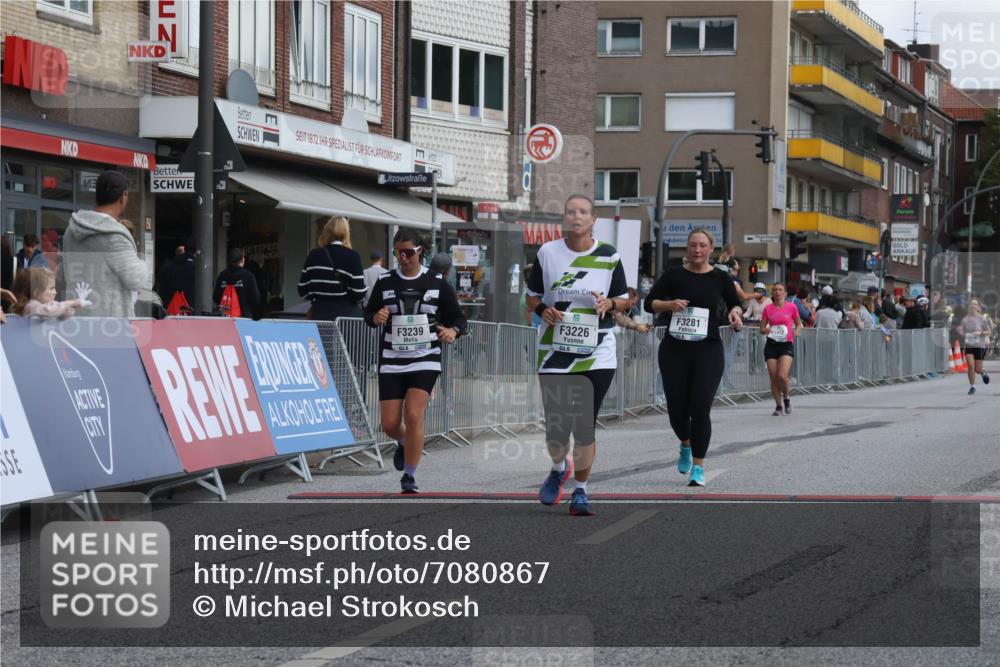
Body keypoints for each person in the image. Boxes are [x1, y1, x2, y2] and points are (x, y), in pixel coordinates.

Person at [526, 194, 628, 515]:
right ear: (564, 219)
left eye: (583, 212)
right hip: (554, 350)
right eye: (571, 211)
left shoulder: (608, 256)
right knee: (557, 426)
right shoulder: (547, 252)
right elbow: (531, 298)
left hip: (597, 351)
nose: (576, 216)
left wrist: (609, 304)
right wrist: (543, 309)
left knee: (584, 424)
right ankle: (559, 469)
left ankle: (581, 491)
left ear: (593, 220)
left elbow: (624, 299)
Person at [364, 228, 467, 494]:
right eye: (398, 253)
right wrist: (376, 317)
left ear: (420, 251)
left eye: (408, 252)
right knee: (387, 424)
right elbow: (369, 313)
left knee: (413, 414)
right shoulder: (385, 282)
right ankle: (405, 442)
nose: (403, 258)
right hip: (392, 359)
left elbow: (459, 319)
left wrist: (452, 331)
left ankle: (409, 476)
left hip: (425, 358)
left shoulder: (437, 282)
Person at [644, 228, 743, 487]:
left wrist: (735, 313)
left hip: (707, 349)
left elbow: (735, 302)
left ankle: (698, 467)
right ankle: (685, 445)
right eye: (692, 246)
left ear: (711, 249)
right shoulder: (674, 275)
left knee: (700, 407)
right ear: (687, 249)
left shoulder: (720, 278)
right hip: (674, 350)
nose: (697, 250)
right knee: (677, 410)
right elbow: (649, 303)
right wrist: (669, 305)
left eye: (702, 245)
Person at [61, 170, 147, 318]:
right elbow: (136, 279)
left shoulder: (71, 230)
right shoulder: (113, 236)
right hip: (110, 324)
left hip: (76, 318)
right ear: (123, 196)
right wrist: (143, 263)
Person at [299, 216, 366, 320]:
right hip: (346, 320)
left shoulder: (313, 255)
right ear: (346, 233)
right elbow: (359, 294)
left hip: (320, 317)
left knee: (322, 337)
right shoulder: (353, 256)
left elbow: (302, 290)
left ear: (326, 232)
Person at [760, 283, 802, 416]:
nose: (777, 292)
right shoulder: (768, 309)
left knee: (782, 375)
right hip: (772, 344)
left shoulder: (792, 307)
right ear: (772, 293)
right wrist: (765, 329)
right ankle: (778, 406)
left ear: (785, 293)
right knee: (773, 377)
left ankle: (787, 398)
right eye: (775, 290)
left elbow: (798, 323)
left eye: (780, 290)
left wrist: (798, 331)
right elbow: (761, 329)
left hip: (786, 344)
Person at [13, 267, 90, 319]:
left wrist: (75, 305)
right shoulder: (31, 306)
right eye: (51, 288)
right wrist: (72, 302)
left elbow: (65, 315)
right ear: (36, 292)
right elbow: (49, 310)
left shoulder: (43, 307)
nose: (55, 292)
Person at [213, 248, 260, 318]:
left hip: (225, 319)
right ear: (242, 260)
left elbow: (215, 298)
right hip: (244, 319)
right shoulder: (248, 276)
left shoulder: (222, 275)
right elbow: (256, 299)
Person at [958, 298, 992, 395]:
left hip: (980, 345)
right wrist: (960, 331)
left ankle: (983, 372)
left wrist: (980, 333)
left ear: (978, 307)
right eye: (971, 304)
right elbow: (962, 330)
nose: (973, 306)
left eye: (975, 304)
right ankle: (972, 387)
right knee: (970, 366)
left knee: (978, 369)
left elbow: (989, 331)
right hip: (969, 345)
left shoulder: (982, 319)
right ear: (969, 306)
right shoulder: (965, 319)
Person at [155, 243, 196, 311]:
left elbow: (158, 290)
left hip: (170, 311)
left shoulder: (166, 267)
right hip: (193, 313)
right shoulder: (199, 269)